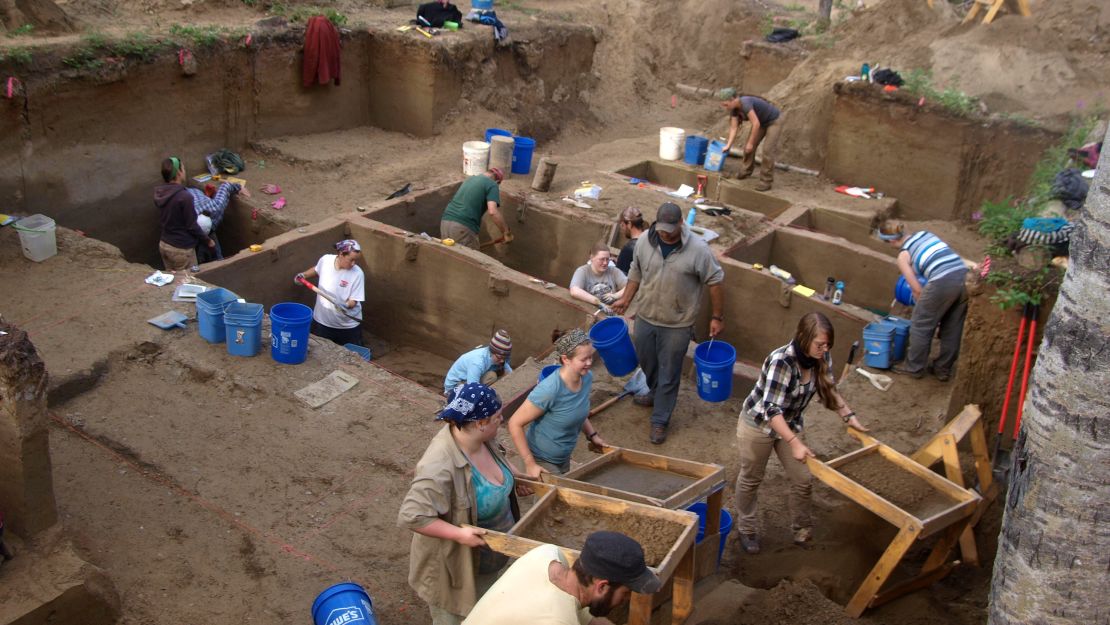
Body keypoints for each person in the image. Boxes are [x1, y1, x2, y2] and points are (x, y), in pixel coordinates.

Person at [734, 312, 868, 554]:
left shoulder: (821, 356)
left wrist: (849, 417)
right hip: (758, 426)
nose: (824, 348)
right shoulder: (781, 361)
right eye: (820, 344)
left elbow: (828, 388)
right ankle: (747, 528)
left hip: (791, 424)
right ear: (804, 338)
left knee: (803, 480)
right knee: (751, 478)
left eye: (827, 344)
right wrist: (795, 442)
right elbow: (771, 410)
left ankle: (801, 529)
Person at [398, 383, 523, 625]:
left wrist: (516, 479)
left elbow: (500, 461)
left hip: (490, 558)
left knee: (484, 611)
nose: (502, 420)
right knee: (455, 618)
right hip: (455, 569)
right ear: (480, 423)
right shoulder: (439, 464)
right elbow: (412, 515)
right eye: (498, 417)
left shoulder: (481, 439)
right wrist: (458, 534)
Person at [611, 202, 725, 445]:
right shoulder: (643, 242)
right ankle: (654, 392)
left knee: (670, 372)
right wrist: (625, 300)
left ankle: (660, 420)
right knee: (647, 360)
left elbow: (714, 282)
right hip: (645, 316)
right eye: (662, 229)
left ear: (681, 224)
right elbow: (636, 272)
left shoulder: (698, 249)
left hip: (678, 324)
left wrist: (716, 316)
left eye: (671, 229)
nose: (666, 234)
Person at [462, 530, 662, 625]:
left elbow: (581, 613)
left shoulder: (548, 554)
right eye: (626, 593)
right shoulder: (555, 620)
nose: (626, 600)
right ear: (601, 587)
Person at [508, 328, 608, 477]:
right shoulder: (550, 390)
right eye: (583, 359)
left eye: (590, 357)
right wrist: (530, 464)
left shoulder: (586, 378)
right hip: (542, 458)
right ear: (566, 359)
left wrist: (593, 436)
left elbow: (578, 410)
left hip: (563, 456)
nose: (589, 363)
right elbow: (514, 423)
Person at [877, 220, 969, 382]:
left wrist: (924, 307)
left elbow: (917, 289)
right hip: (964, 278)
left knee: (920, 325)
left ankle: (914, 368)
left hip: (942, 281)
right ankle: (943, 369)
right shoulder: (926, 234)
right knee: (953, 327)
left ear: (891, 240)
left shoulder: (903, 255)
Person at [294, 239, 366, 347]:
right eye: (351, 260)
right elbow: (317, 269)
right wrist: (303, 275)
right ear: (341, 254)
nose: (353, 264)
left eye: (355, 260)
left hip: (347, 326)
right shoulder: (326, 260)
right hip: (322, 322)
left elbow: (353, 301)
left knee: (352, 357)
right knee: (319, 352)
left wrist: (345, 305)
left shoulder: (357, 274)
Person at [155, 156, 213, 271]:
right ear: (179, 173)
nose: (185, 171)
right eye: (183, 169)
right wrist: (207, 240)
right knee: (188, 282)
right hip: (181, 250)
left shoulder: (161, 193)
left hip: (164, 245)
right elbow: (192, 226)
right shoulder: (184, 197)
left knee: (174, 282)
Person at [720, 94, 785, 191]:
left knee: (767, 150)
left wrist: (751, 143)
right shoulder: (734, 110)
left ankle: (766, 181)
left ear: (733, 100)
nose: (725, 107)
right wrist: (728, 146)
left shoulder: (745, 104)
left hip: (774, 121)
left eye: (726, 104)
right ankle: (745, 171)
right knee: (748, 148)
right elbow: (734, 128)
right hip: (762, 122)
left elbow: (755, 124)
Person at [440, 168, 513, 250]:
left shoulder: (470, 179)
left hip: (445, 222)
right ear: (497, 181)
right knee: (468, 260)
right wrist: (506, 232)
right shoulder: (492, 184)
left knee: (450, 256)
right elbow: (493, 212)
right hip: (463, 226)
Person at [189, 179, 249, 263]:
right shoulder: (183, 219)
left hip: (195, 195)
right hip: (188, 202)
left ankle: (218, 261)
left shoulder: (215, 207)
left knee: (216, 255)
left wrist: (239, 187)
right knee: (197, 255)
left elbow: (226, 186)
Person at [444, 330, 514, 395]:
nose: (502, 360)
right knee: (491, 377)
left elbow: (510, 372)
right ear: (492, 351)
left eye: (504, 358)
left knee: (496, 374)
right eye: (499, 357)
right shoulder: (478, 362)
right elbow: (472, 387)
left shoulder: (492, 355)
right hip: (454, 387)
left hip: (466, 379)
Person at [569, 242, 627, 314]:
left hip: (611, 313)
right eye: (602, 259)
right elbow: (574, 291)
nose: (605, 263)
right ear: (592, 258)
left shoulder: (614, 271)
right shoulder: (582, 271)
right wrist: (597, 302)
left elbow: (629, 286)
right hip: (589, 312)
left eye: (607, 259)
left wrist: (615, 296)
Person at [615, 206, 646, 275]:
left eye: (622, 225)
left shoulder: (629, 248)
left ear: (629, 224)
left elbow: (619, 277)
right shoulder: (649, 241)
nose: (622, 230)